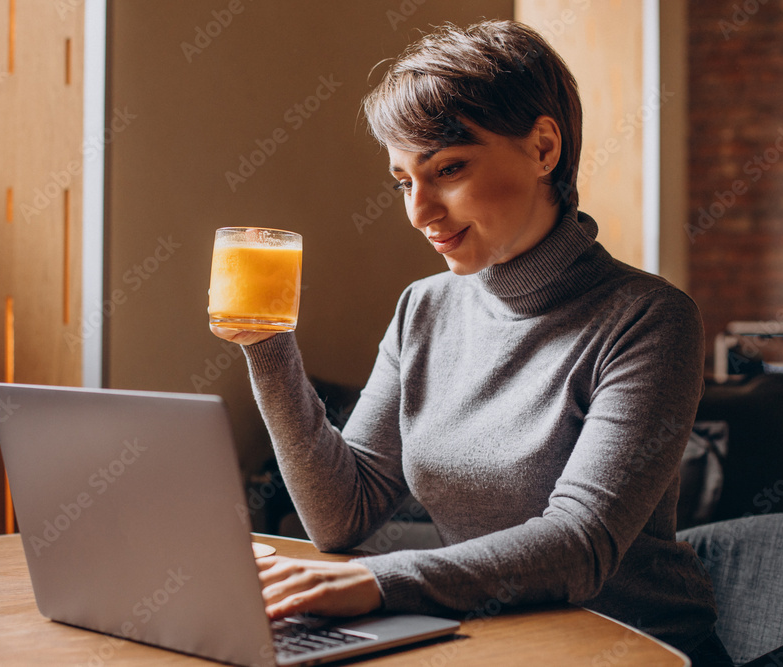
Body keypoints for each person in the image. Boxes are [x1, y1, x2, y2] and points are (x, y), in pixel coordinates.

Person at [211, 19, 733, 666]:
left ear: (544, 147)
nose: (419, 211)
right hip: (490, 640)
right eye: (404, 181)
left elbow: (581, 543)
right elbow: (342, 514)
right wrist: (266, 344)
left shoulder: (649, 319)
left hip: (636, 648)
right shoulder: (423, 309)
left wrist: (381, 581)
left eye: (448, 169)